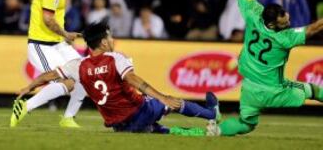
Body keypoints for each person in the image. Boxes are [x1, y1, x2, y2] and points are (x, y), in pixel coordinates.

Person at [204, 0, 323, 136]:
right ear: (272, 24)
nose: (289, 23)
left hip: (250, 86)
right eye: (285, 22)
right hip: (274, 90)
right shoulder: (285, 38)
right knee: (312, 90)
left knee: (246, 124)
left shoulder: (253, 14)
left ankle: (215, 131)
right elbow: (314, 28)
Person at [12, 21, 220, 135]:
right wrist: (162, 98)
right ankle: (211, 115)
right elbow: (134, 80)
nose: (112, 40)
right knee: (172, 102)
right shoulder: (114, 58)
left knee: (155, 130)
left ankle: (196, 134)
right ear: (103, 43)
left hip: (118, 126)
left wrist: (28, 87)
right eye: (109, 36)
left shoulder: (78, 65)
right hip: (139, 112)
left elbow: (49, 75)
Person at [10, 0, 86, 128]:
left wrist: (64, 36)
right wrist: (67, 34)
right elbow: (48, 19)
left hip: (57, 43)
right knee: (66, 82)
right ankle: (25, 106)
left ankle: (68, 118)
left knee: (85, 74)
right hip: (41, 46)